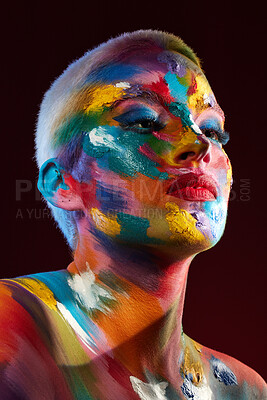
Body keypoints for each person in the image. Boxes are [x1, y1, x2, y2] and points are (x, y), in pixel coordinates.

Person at [0, 30, 265, 400]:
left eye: (211, 129)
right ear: (63, 183)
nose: (198, 145)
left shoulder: (242, 390)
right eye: (144, 121)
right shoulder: (12, 330)